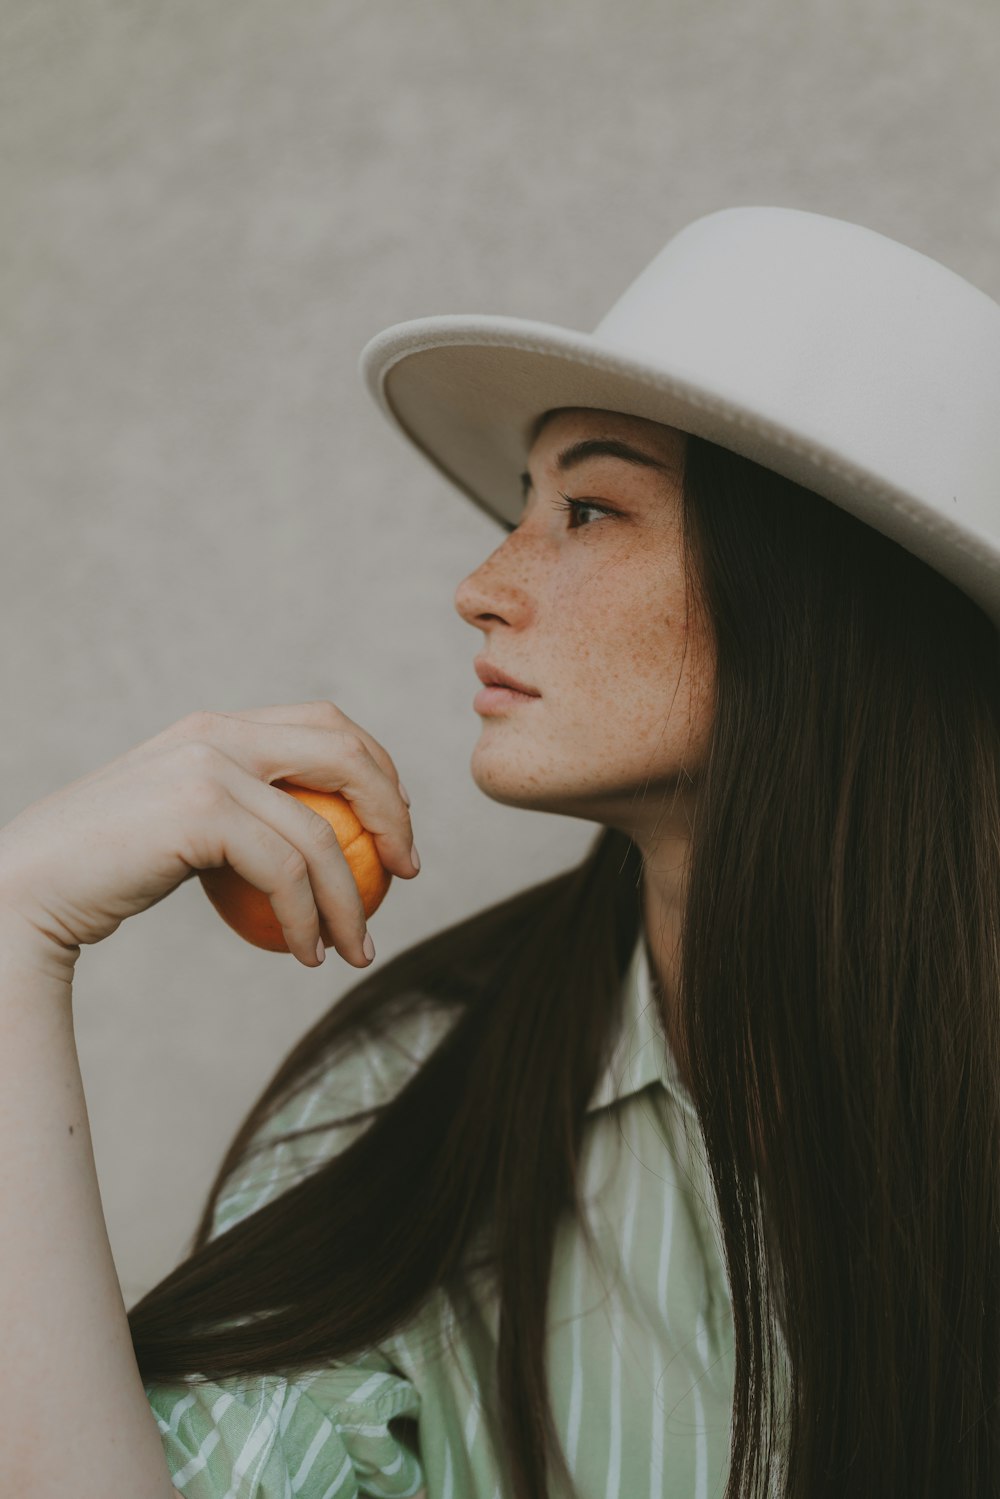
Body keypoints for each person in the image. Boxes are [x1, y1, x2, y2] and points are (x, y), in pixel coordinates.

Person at [1, 206, 999, 1499]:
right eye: (526, 503)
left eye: (587, 509)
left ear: (822, 604)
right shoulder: (405, 1111)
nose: (481, 583)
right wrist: (11, 941)